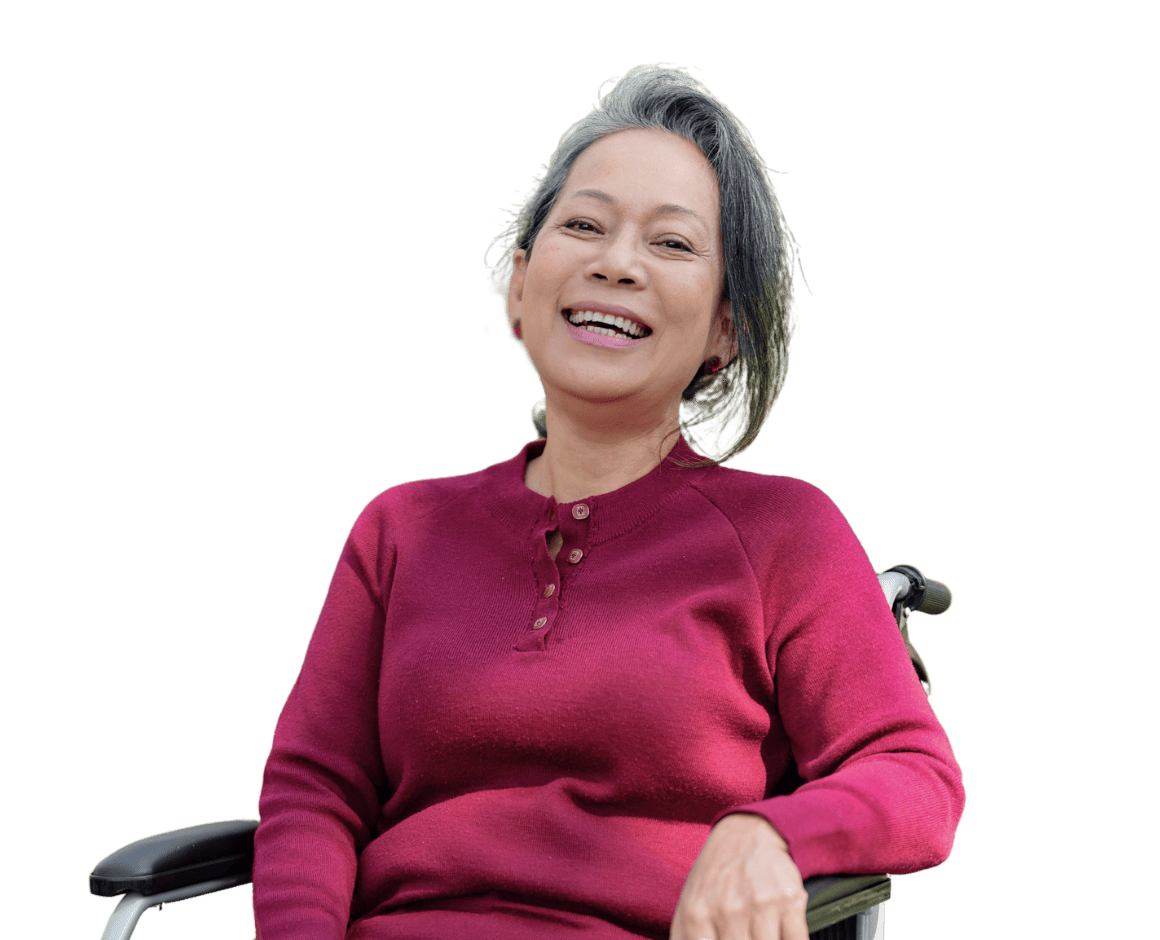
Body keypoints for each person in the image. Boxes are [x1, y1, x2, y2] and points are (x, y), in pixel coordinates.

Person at [251, 63, 965, 940]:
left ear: (724, 332)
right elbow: (313, 789)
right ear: (518, 289)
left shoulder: (784, 535)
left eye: (671, 244)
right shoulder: (400, 530)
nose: (615, 264)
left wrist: (771, 832)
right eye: (583, 225)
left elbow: (914, 774)